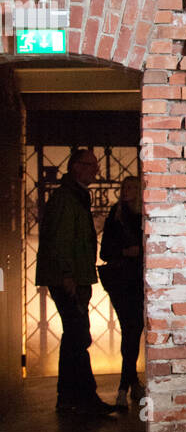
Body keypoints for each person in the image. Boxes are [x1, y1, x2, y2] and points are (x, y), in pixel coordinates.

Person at [35, 148, 117, 416]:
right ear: (75, 167)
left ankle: (70, 397)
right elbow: (60, 239)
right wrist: (68, 275)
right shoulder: (67, 198)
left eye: (95, 165)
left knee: (75, 336)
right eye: (89, 165)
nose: (95, 170)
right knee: (78, 335)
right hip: (69, 278)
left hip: (74, 277)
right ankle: (83, 397)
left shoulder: (73, 196)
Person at [99, 176, 145, 409]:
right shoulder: (115, 215)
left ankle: (130, 383)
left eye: (131, 187)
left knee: (133, 330)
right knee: (131, 329)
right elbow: (105, 251)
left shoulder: (144, 215)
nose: (126, 191)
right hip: (122, 281)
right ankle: (124, 388)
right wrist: (127, 252)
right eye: (124, 187)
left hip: (138, 281)